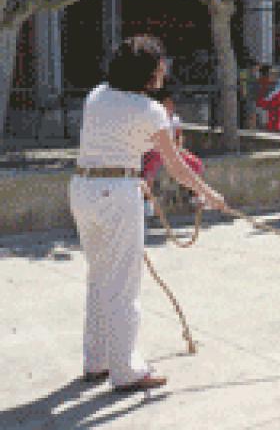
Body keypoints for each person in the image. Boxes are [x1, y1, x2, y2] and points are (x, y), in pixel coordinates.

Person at [69, 36, 227, 393]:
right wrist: (209, 194)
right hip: (117, 193)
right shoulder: (149, 110)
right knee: (123, 284)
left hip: (83, 187)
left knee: (99, 278)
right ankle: (126, 369)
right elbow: (177, 166)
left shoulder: (97, 95)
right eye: (160, 65)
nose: (164, 69)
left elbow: (111, 144)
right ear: (147, 72)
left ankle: (97, 360)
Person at [142, 86, 206, 214]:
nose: (170, 107)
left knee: (195, 163)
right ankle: (146, 201)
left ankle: (194, 195)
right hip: (155, 150)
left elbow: (178, 137)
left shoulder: (175, 119)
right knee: (149, 170)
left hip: (172, 150)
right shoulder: (153, 118)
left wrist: (179, 150)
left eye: (171, 104)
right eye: (167, 104)